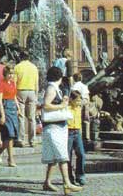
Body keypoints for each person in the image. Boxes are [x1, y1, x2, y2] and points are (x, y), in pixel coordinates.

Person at [41, 66, 82, 194]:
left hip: (56, 127)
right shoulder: (52, 88)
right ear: (59, 76)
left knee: (53, 157)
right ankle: (67, 184)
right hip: (54, 127)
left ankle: (47, 182)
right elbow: (46, 105)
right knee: (62, 156)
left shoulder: (54, 88)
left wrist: (63, 100)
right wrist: (62, 105)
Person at [0, 65, 20, 167]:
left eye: (12, 74)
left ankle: (0, 150)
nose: (11, 76)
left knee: (12, 135)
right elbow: (0, 101)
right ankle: (11, 159)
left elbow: (14, 96)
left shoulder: (12, 83)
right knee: (9, 134)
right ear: (5, 74)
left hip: (13, 109)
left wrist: (18, 107)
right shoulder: (1, 84)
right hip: (6, 108)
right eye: (9, 74)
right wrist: (2, 115)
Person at [14, 49, 39, 147]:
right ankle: (32, 140)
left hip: (21, 91)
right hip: (32, 91)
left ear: (20, 57)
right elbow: (37, 83)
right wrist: (36, 95)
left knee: (21, 116)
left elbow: (14, 83)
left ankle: (21, 139)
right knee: (32, 117)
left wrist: (14, 95)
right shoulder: (34, 67)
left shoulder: (17, 67)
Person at [67, 91, 87, 186]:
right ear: (71, 99)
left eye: (80, 101)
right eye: (77, 101)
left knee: (81, 154)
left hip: (77, 132)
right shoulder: (67, 108)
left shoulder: (79, 108)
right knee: (68, 156)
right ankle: (69, 177)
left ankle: (80, 175)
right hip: (68, 132)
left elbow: (80, 121)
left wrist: (81, 132)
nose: (79, 103)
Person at [70, 73, 90, 140]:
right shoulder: (84, 86)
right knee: (86, 119)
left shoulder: (73, 87)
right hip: (85, 101)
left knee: (79, 119)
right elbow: (87, 96)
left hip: (78, 102)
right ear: (81, 78)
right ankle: (87, 136)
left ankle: (79, 136)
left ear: (74, 79)